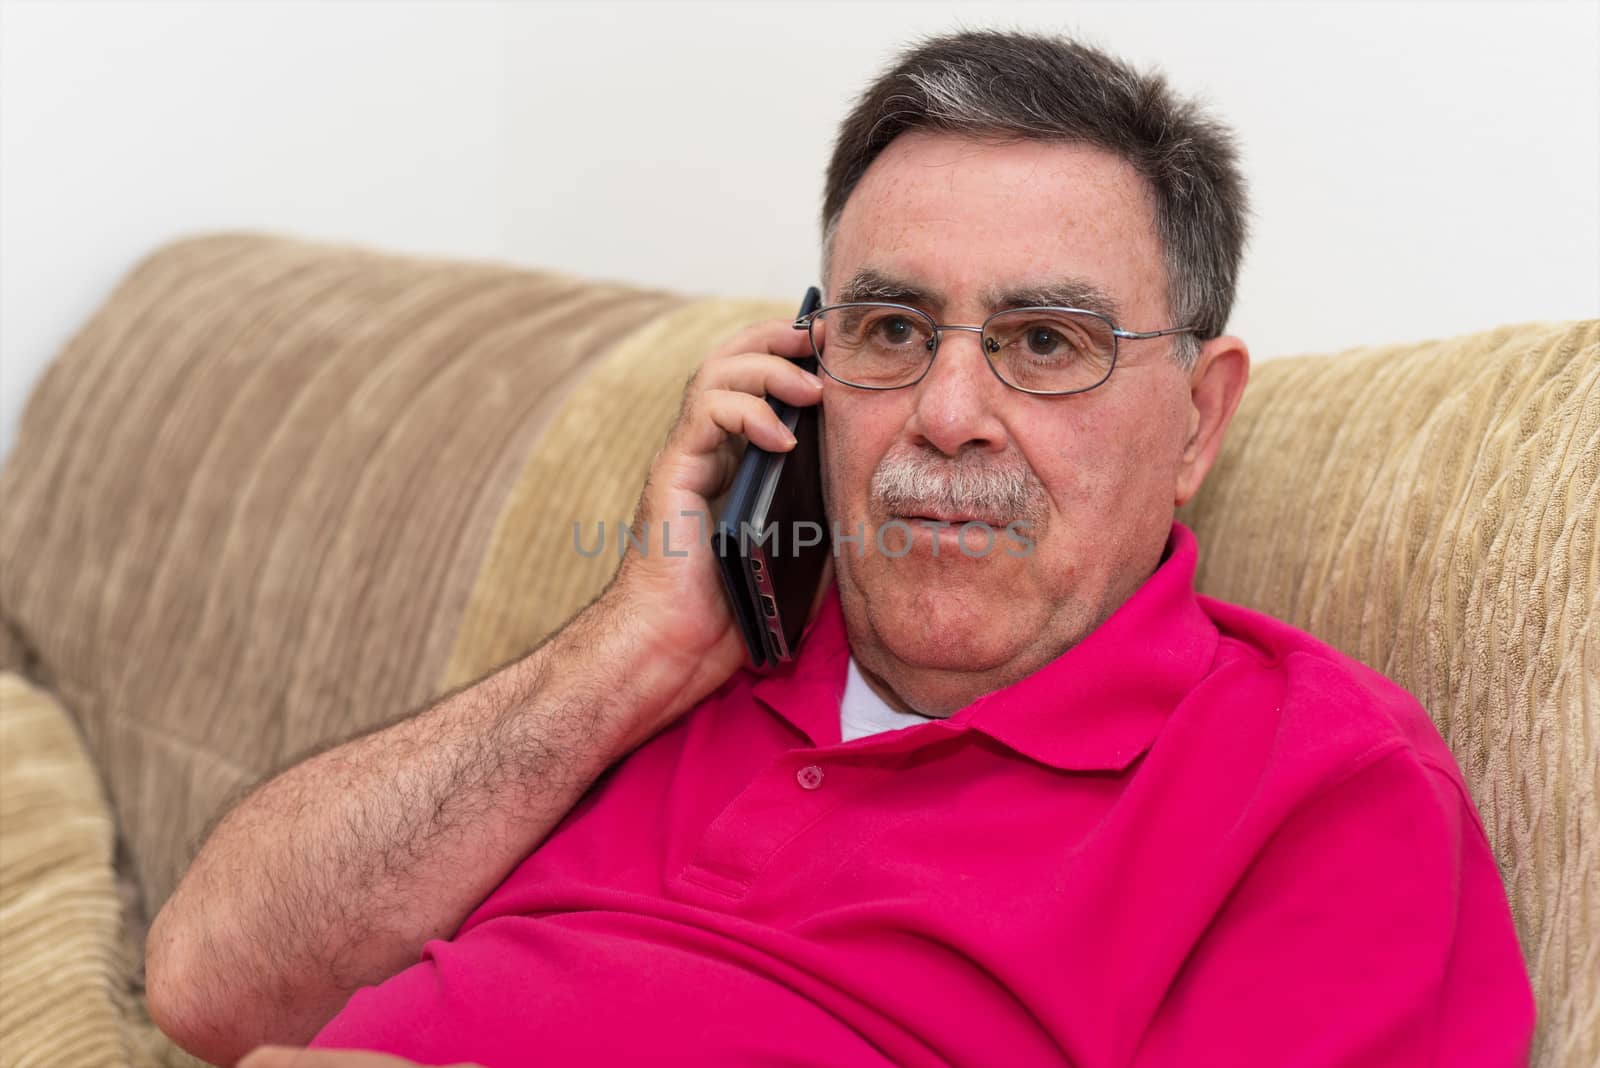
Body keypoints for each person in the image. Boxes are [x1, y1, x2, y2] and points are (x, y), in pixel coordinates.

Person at [147, 29, 1535, 1068]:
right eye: (890, 331)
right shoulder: (677, 665)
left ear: (1197, 420)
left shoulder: (1321, 785)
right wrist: (631, 649)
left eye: (1042, 344)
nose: (944, 414)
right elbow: (210, 987)